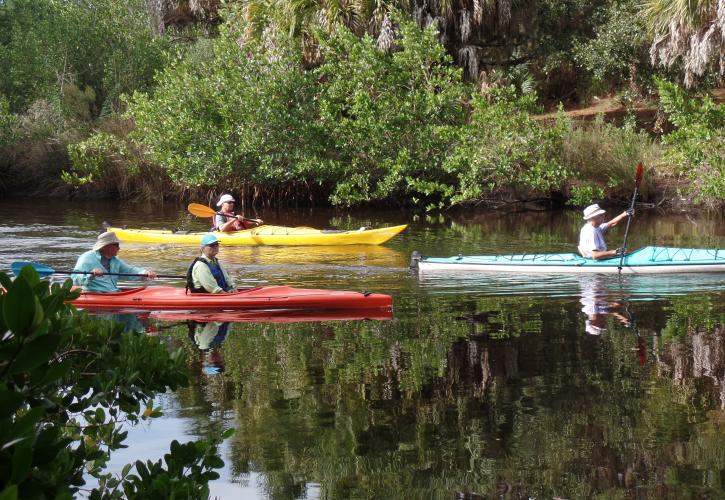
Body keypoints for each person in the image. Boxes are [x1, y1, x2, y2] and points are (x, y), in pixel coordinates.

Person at [71, 231, 157, 292]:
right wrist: (91, 275)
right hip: (93, 294)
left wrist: (146, 273)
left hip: (113, 294)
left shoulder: (115, 261)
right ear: (107, 246)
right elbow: (75, 279)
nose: (119, 248)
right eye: (117, 245)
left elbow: (130, 271)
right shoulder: (87, 257)